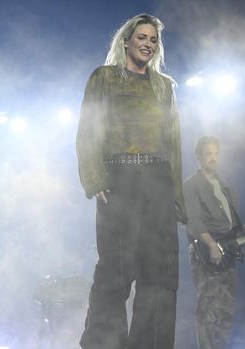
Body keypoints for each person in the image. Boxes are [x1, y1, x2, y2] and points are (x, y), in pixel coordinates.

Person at [76, 14, 187, 349]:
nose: (148, 44)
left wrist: (176, 197)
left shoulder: (164, 85)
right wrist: (95, 179)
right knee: (116, 271)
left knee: (161, 275)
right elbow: (88, 129)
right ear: (126, 41)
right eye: (142, 37)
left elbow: (174, 144)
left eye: (153, 40)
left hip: (157, 181)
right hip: (120, 178)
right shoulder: (104, 77)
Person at [184, 136, 245, 349]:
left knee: (225, 311)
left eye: (216, 153)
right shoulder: (192, 185)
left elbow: (232, 226)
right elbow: (192, 220)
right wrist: (210, 244)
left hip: (227, 255)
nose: (213, 158)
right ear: (198, 157)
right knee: (208, 309)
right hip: (205, 254)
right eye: (208, 154)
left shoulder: (225, 187)